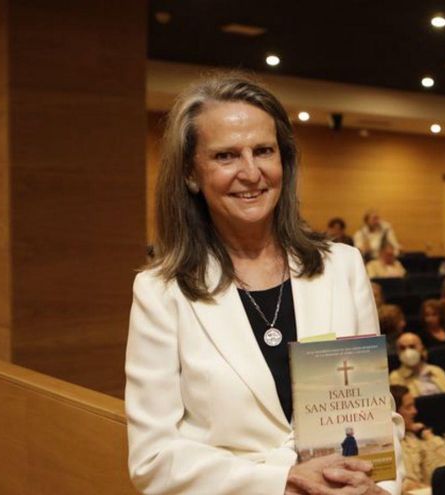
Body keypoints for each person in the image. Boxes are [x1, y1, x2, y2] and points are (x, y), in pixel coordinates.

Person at [126, 74, 401, 494]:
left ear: (284, 161)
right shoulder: (161, 292)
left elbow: (376, 412)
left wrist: (383, 487)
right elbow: (153, 458)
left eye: (264, 151)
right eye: (226, 156)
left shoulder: (342, 266)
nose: (251, 172)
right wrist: (282, 481)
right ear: (191, 174)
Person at [390, 385, 445, 491]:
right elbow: (405, 484)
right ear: (395, 413)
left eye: (413, 406)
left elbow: (442, 466)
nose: (415, 411)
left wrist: (426, 434)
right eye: (408, 407)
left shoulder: (412, 438)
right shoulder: (390, 445)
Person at [389, 332, 445, 397]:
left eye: (412, 347)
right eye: (402, 348)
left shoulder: (436, 370)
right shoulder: (395, 377)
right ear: (398, 352)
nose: (407, 351)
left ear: (421, 348)